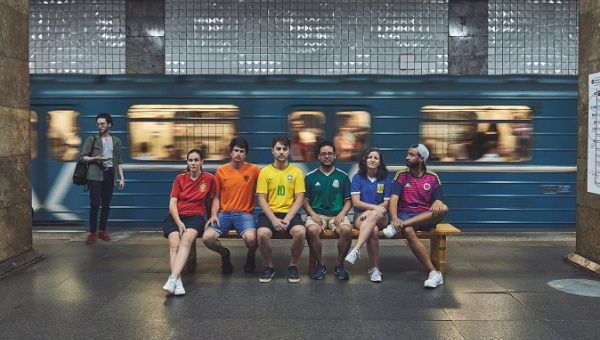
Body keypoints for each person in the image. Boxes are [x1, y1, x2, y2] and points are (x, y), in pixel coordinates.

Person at [385, 144, 449, 289]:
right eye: (408, 154)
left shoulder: (432, 177)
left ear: (421, 159)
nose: (407, 157)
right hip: (405, 213)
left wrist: (438, 201)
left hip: (426, 216)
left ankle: (403, 224)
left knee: (444, 208)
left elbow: (439, 199)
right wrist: (394, 217)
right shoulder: (401, 175)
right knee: (408, 231)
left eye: (412, 155)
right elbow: (393, 199)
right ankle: (434, 273)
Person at [162, 149, 216, 296]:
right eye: (190, 160)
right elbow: (172, 203)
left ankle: (172, 278)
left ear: (202, 162)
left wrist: (212, 215)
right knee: (174, 245)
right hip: (175, 217)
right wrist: (178, 222)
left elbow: (213, 199)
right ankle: (177, 281)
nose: (193, 163)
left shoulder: (209, 179)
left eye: (196, 160)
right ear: (187, 162)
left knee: (185, 241)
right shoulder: (179, 178)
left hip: (195, 217)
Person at [203, 137, 261, 274]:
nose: (238, 154)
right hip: (224, 214)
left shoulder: (254, 170)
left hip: (245, 214)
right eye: (236, 150)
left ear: (245, 154)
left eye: (242, 151)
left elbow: (265, 189)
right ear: (230, 152)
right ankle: (224, 254)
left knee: (252, 240)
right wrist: (213, 215)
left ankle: (251, 256)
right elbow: (216, 196)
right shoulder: (221, 170)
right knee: (207, 238)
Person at [256, 136, 306, 283]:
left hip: (289, 214)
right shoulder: (265, 172)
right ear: (272, 151)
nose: (281, 152)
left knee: (300, 232)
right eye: (278, 149)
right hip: (270, 214)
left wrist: (288, 218)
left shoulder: (296, 172)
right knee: (262, 234)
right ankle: (269, 266)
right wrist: (273, 219)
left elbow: (299, 199)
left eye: (284, 149)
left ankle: (293, 265)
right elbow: (262, 199)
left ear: (289, 151)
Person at [304, 141, 353, 280]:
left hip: (337, 215)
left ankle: (339, 265)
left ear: (334, 156)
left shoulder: (343, 176)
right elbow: (305, 201)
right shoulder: (310, 177)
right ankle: (321, 265)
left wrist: (342, 214)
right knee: (312, 230)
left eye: (330, 154)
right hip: (317, 215)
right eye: (323, 154)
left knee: (347, 230)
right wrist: (313, 214)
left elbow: (349, 201)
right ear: (318, 157)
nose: (327, 156)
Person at [344, 147, 393, 282]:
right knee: (374, 230)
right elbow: (356, 202)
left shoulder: (386, 180)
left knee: (377, 215)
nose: (372, 160)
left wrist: (371, 211)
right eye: (370, 157)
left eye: (376, 158)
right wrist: (372, 210)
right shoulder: (357, 178)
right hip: (361, 216)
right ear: (364, 160)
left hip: (382, 217)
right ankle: (375, 269)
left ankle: (356, 249)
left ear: (380, 162)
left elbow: (386, 204)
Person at [80, 112, 125, 244]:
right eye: (98, 124)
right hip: (95, 174)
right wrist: (96, 158)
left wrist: (122, 178)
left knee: (106, 204)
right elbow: (83, 157)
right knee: (95, 204)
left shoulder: (116, 141)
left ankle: (102, 230)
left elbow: (119, 161)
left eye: (102, 124)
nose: (100, 126)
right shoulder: (92, 140)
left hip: (110, 174)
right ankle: (92, 232)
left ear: (109, 125)